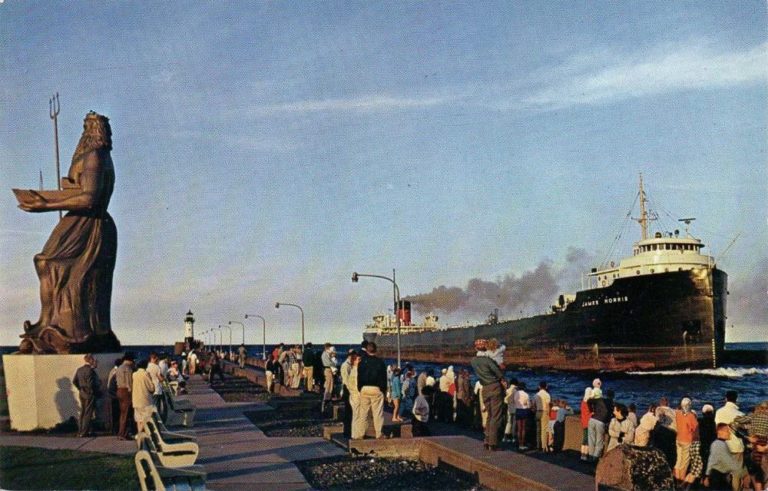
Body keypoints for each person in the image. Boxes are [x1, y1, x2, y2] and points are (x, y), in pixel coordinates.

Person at [18, 111, 121, 354]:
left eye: (88, 128)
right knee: (46, 264)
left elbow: (90, 198)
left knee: (55, 266)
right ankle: (48, 323)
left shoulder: (96, 156)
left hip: (89, 224)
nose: (85, 133)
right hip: (81, 222)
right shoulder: (92, 156)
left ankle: (70, 331)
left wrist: (45, 204)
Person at [471, 338, 505, 451]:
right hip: (494, 387)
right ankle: (493, 443)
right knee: (496, 416)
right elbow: (499, 372)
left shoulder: (473, 361)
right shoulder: (487, 360)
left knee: (489, 416)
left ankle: (487, 440)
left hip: (484, 388)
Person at [355, 342, 388, 439]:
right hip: (376, 388)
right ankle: (379, 433)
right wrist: (384, 390)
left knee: (363, 413)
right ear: (376, 350)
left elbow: (359, 377)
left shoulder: (361, 362)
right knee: (377, 413)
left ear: (367, 350)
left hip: (364, 388)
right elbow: (383, 378)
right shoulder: (380, 362)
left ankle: (360, 434)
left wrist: (360, 388)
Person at [704, 423, 746, 491]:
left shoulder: (716, 443)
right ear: (720, 432)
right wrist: (743, 473)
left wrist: (707, 475)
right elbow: (729, 463)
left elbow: (711, 461)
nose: (729, 433)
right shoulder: (721, 445)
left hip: (716, 477)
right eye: (727, 431)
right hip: (718, 478)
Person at [72, 354, 101, 437]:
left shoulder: (79, 369)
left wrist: (80, 388)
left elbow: (74, 381)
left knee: (83, 412)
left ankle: (80, 430)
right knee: (88, 413)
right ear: (91, 360)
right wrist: (92, 391)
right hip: (89, 393)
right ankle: (84, 432)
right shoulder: (90, 371)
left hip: (81, 393)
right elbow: (91, 384)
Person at [675, 397, 700, 482]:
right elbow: (696, 429)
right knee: (684, 464)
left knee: (678, 461)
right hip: (687, 441)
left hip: (678, 439)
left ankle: (676, 479)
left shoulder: (678, 413)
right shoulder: (691, 416)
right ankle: (681, 481)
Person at [132, 360, 156, 434]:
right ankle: (144, 435)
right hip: (145, 401)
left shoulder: (134, 374)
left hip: (136, 400)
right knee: (146, 419)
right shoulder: (145, 374)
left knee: (139, 420)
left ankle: (139, 435)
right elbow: (151, 388)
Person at [115, 353, 135, 440]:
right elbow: (129, 382)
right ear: (129, 360)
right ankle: (123, 433)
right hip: (126, 391)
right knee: (126, 414)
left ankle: (121, 432)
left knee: (122, 413)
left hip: (119, 390)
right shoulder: (128, 368)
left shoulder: (119, 368)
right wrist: (131, 391)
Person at [587, 388, 610, 461]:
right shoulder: (609, 402)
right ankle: (595, 458)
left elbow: (588, 401)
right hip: (601, 421)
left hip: (592, 419)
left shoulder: (597, 400)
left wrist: (591, 410)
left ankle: (590, 456)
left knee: (591, 439)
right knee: (599, 441)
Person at [340, 349, 357, 437]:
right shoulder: (345, 366)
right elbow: (346, 380)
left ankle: (349, 430)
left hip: (349, 389)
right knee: (348, 411)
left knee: (350, 411)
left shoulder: (349, 365)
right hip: (348, 389)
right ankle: (347, 431)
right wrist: (351, 390)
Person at [534, 381, 551, 452]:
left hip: (538, 412)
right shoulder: (547, 395)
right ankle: (544, 446)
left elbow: (533, 405)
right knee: (544, 430)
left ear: (539, 387)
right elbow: (548, 405)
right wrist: (548, 413)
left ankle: (538, 445)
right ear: (546, 387)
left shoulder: (536, 395)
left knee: (538, 430)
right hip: (544, 412)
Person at [106, 357, 121, 434]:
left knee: (114, 414)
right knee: (116, 414)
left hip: (111, 395)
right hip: (114, 396)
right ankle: (116, 430)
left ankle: (114, 429)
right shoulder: (117, 372)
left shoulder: (112, 371)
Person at [321, 343, 338, 413]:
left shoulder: (326, 354)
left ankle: (327, 398)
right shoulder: (325, 354)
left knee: (329, 384)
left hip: (328, 369)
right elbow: (329, 363)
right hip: (328, 369)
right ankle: (326, 400)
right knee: (329, 385)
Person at [580, 387, 594, 460]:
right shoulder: (589, 402)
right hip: (588, 422)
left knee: (584, 439)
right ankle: (585, 455)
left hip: (584, 422)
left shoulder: (583, 402)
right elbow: (589, 413)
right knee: (588, 440)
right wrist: (593, 413)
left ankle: (582, 454)